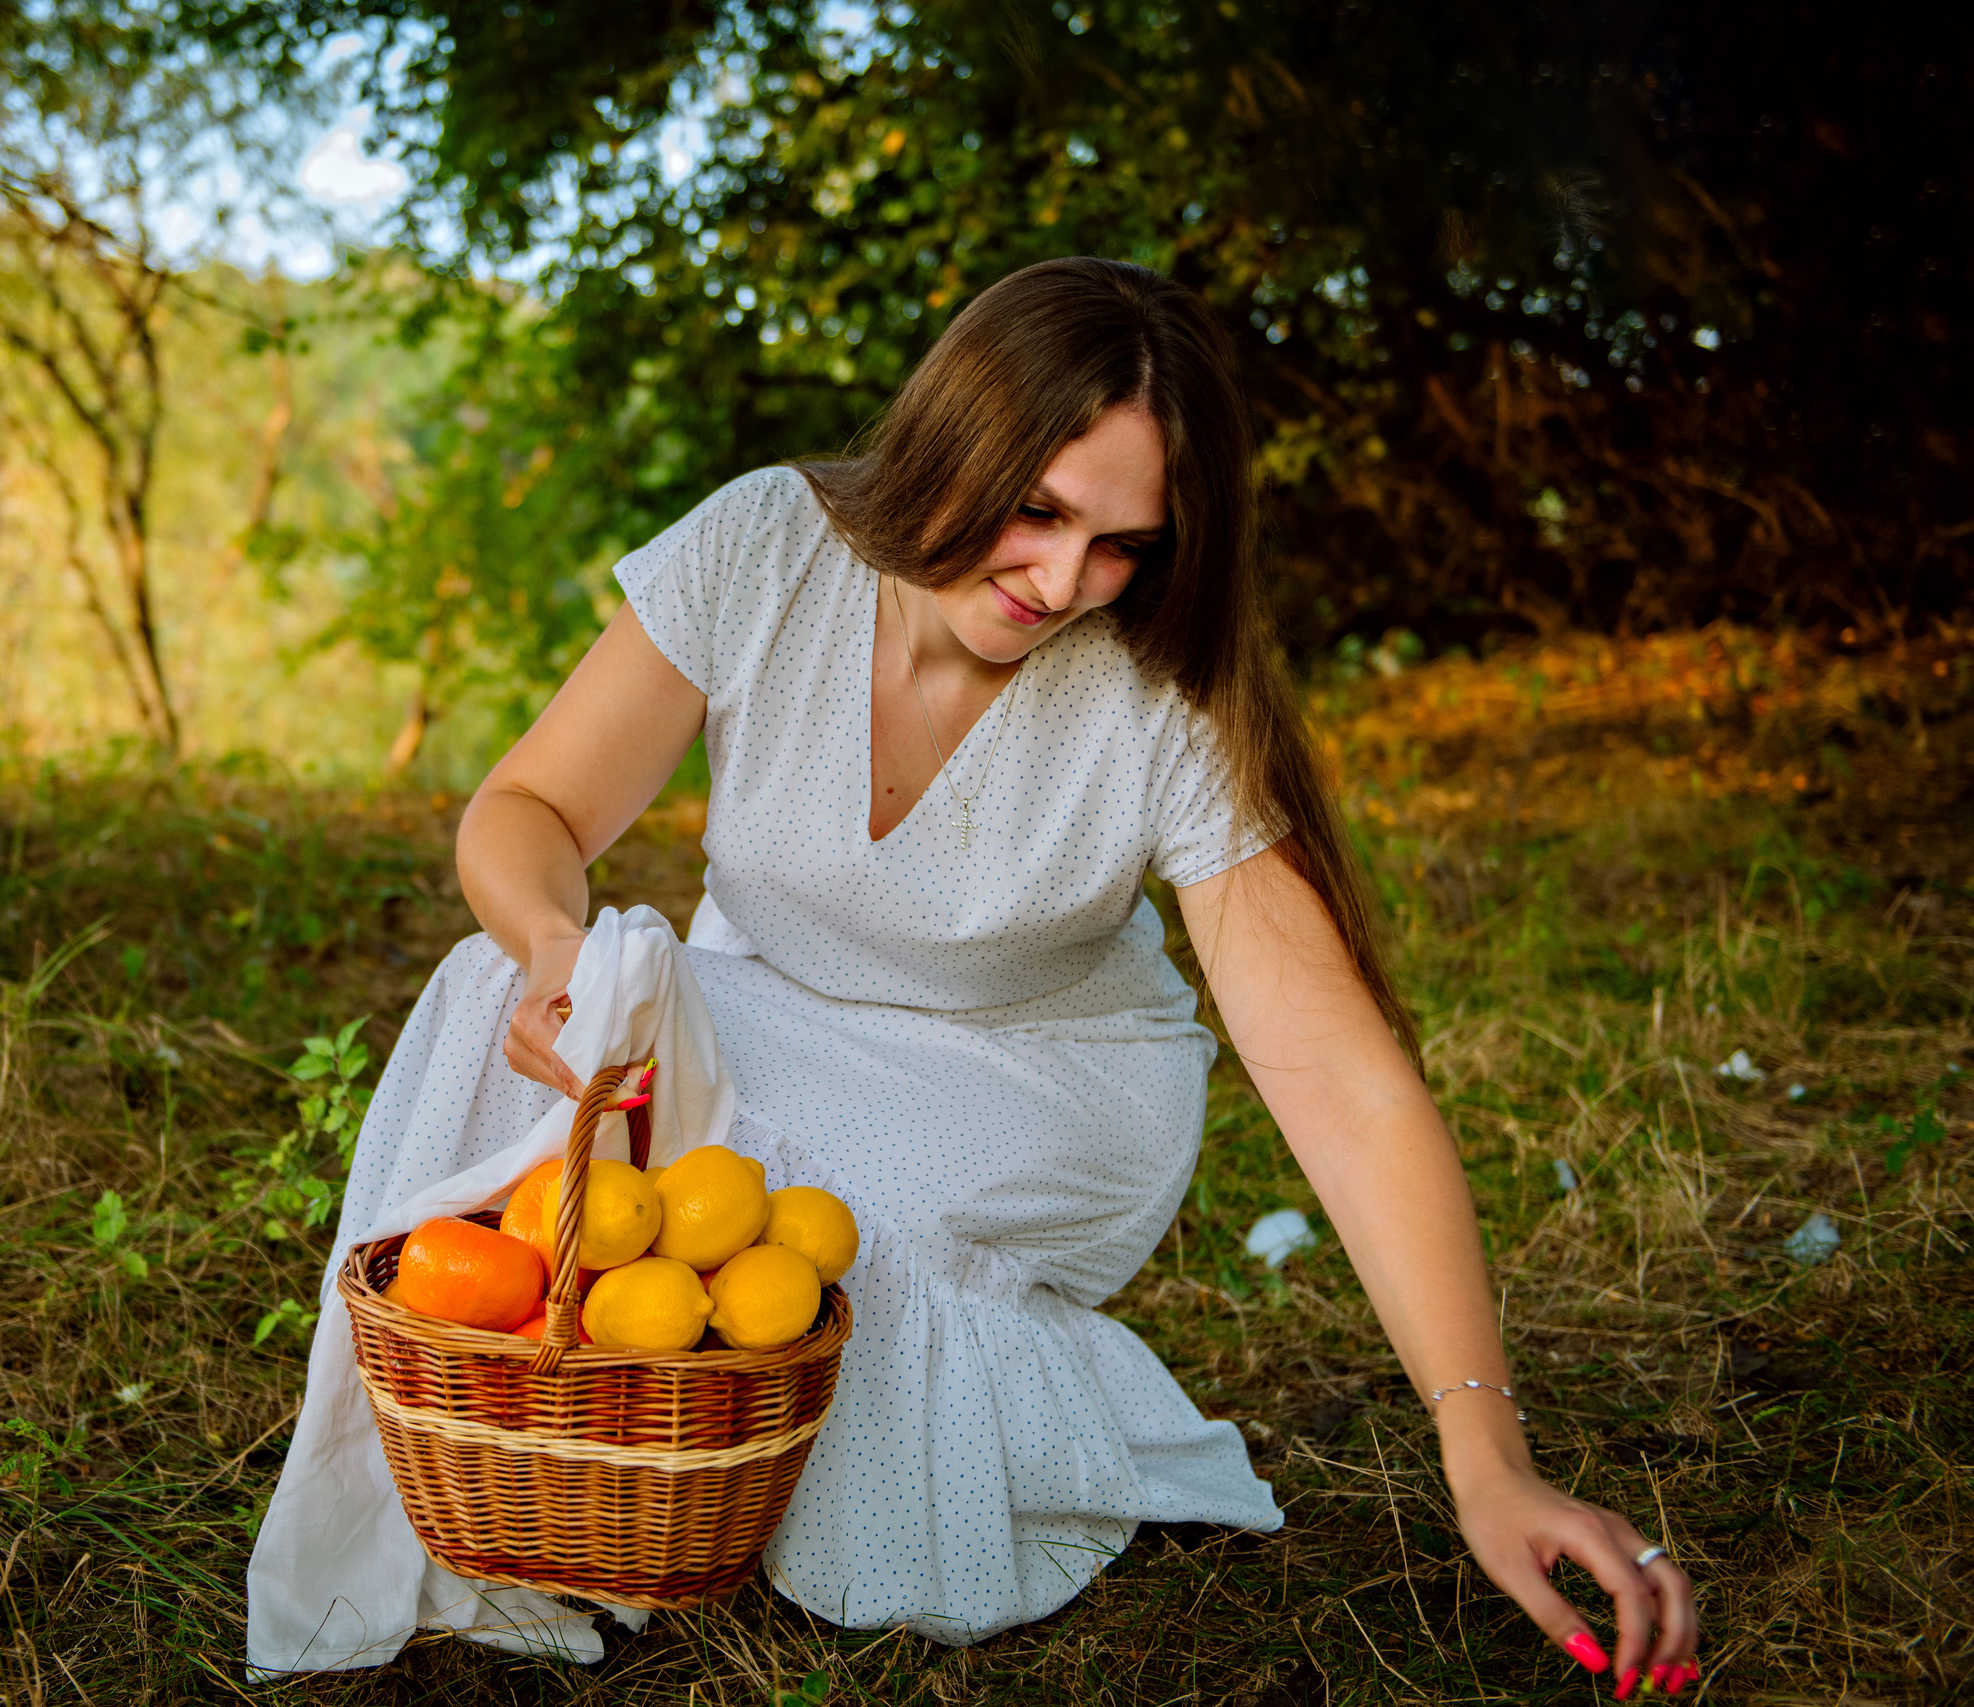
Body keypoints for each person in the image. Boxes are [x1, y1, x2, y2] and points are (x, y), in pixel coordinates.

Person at [251, 257, 1702, 1692]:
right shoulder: (768, 543)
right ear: (956, 443)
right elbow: (531, 814)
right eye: (1038, 511)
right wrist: (560, 953)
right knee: (475, 995)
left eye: (1124, 543)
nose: (1066, 583)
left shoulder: (1164, 698)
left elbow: (1342, 1080)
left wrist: (1485, 1456)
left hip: (1038, 1081)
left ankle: (1033, 1401)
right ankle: (535, 1470)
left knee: (828, 1226)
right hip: (774, 1016)